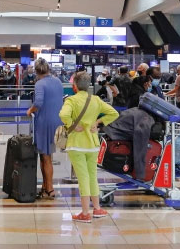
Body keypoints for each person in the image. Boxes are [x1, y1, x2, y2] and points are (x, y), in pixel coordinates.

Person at [59, 71, 119, 223]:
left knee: (83, 177)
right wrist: (98, 123)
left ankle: (85, 212)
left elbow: (63, 115)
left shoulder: (71, 101)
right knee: (92, 175)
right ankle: (97, 208)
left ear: (75, 86)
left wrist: (72, 124)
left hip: (77, 144)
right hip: (92, 143)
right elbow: (113, 113)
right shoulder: (96, 100)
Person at [25, 58, 63, 200]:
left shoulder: (40, 84)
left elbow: (39, 102)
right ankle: (45, 187)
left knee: (45, 157)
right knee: (47, 156)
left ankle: (50, 189)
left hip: (44, 122)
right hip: (57, 121)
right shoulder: (58, 81)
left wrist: (30, 110)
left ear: (36, 71)